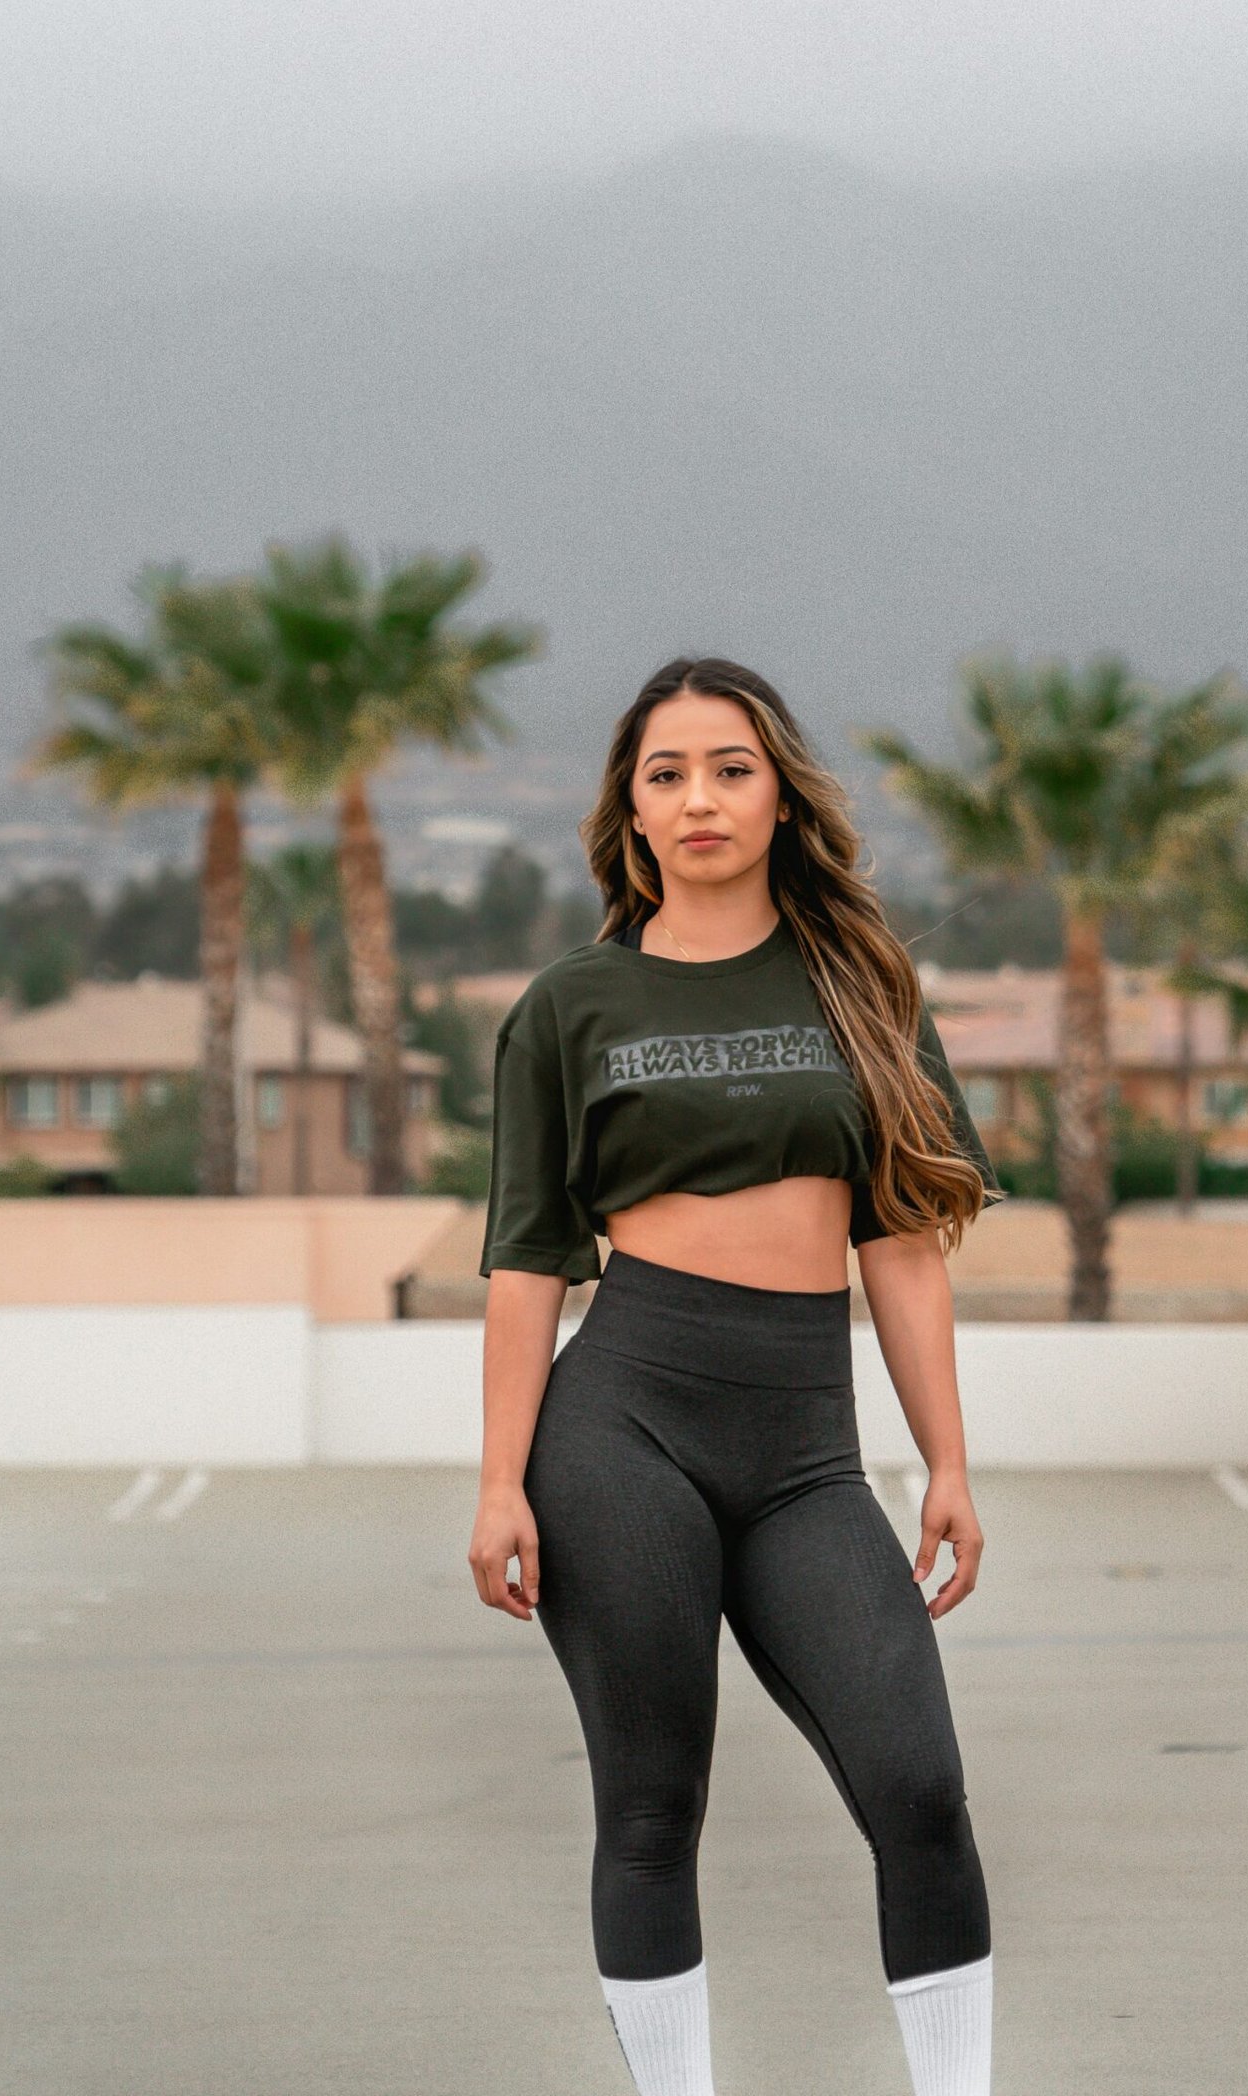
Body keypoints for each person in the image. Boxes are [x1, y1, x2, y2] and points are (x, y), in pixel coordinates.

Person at [468, 654, 1004, 2096]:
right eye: (666, 774)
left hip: (809, 1452)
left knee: (921, 1791)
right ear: (630, 815)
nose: (698, 797)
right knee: (650, 1809)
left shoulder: (864, 984)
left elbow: (899, 1240)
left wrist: (946, 1461)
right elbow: (528, 1260)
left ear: (779, 799)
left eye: (729, 769)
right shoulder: (570, 1006)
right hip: (623, 1424)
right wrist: (499, 1484)